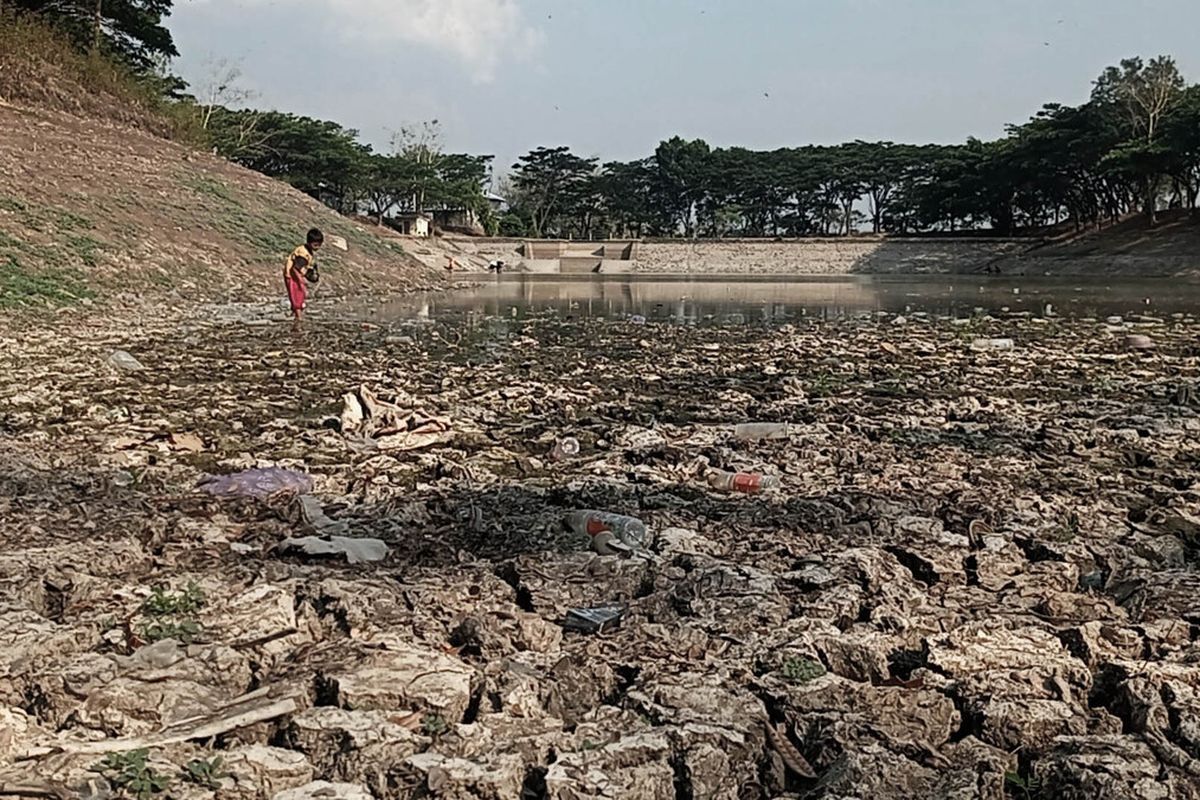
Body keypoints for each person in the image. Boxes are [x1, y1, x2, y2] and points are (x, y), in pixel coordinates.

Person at [285, 228, 323, 331]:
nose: (317, 248)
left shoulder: (307, 251)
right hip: (293, 276)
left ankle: (297, 314)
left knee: (299, 295)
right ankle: (298, 317)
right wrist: (301, 281)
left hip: (296, 275)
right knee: (298, 295)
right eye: (315, 245)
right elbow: (295, 268)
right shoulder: (303, 254)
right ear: (309, 243)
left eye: (319, 245)